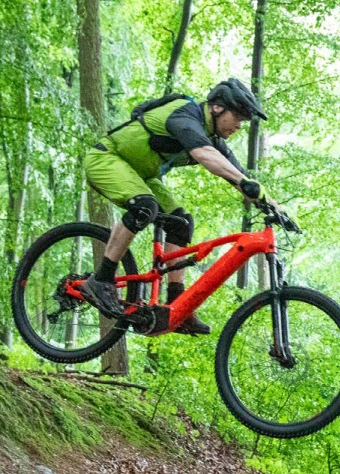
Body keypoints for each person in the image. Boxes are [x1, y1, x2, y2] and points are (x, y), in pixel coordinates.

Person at [79, 78, 271, 335]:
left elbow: (241, 176)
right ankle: (101, 279)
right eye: (237, 116)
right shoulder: (185, 114)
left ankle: (176, 304)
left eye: (244, 120)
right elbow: (206, 155)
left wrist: (276, 209)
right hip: (107, 159)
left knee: (181, 223)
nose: (239, 125)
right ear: (216, 108)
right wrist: (243, 182)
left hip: (141, 176)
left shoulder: (212, 138)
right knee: (145, 207)